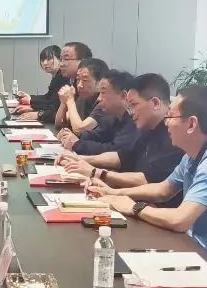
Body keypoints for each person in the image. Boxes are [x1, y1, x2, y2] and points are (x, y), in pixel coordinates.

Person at [87, 85, 207, 275]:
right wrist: (114, 193)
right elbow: (163, 190)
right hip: (204, 249)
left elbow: (180, 220)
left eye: (170, 117)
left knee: (135, 275)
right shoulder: (194, 153)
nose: (166, 123)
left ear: (191, 124)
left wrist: (134, 207)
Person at [60, 74, 184, 205]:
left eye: (134, 105)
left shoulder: (174, 136)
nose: (130, 112)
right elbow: (123, 156)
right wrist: (81, 160)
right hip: (137, 201)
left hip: (154, 208)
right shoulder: (147, 127)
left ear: (155, 103)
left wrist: (97, 173)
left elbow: (149, 180)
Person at [59, 70, 140, 155]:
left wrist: (77, 143)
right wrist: (70, 135)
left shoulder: (135, 121)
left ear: (123, 96)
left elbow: (115, 150)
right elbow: (96, 136)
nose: (99, 99)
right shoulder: (112, 117)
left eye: (103, 93)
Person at [16, 42, 90, 122]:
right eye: (61, 59)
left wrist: (39, 113)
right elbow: (58, 110)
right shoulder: (71, 81)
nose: (61, 64)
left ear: (83, 61)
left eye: (66, 59)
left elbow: (56, 106)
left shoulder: (84, 87)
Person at [14, 45, 66, 120]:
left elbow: (53, 104)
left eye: (49, 59)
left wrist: (31, 102)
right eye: (42, 60)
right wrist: (30, 98)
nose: (45, 63)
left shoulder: (63, 77)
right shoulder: (56, 76)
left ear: (60, 59)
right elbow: (48, 97)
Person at [55, 58, 107, 130]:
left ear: (100, 83)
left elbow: (79, 129)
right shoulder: (82, 99)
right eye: (78, 79)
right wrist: (63, 103)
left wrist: (70, 100)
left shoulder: (105, 102)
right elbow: (59, 124)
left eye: (85, 80)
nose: (79, 85)